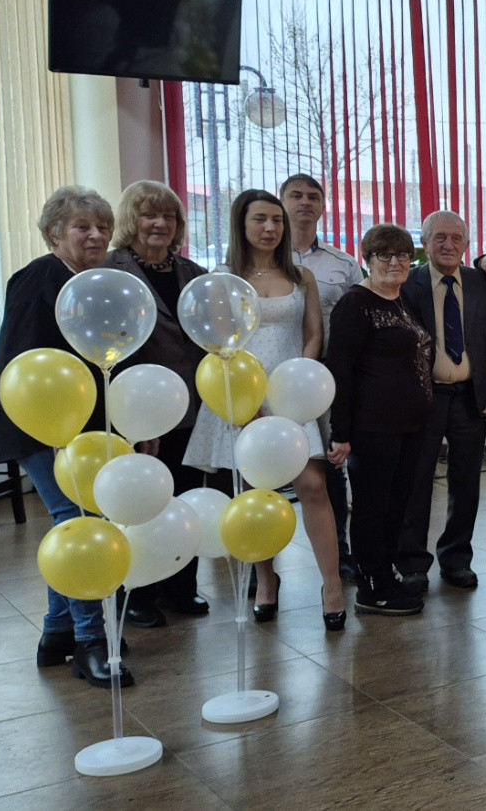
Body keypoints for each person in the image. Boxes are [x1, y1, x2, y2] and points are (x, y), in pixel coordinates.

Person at [0, 186, 130, 687]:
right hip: (42, 427)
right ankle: (91, 642)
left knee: (71, 519)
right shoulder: (38, 278)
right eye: (82, 227)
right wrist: (52, 429)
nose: (96, 235)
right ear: (54, 233)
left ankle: (56, 633)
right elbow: (24, 360)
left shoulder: (91, 281)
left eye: (103, 227)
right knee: (78, 521)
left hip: (79, 427)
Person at [185, 189, 347, 629]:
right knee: (255, 490)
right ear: (242, 224)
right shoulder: (223, 279)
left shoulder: (302, 276)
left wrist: (297, 385)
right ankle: (266, 579)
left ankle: (332, 584)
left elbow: (314, 334)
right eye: (260, 219)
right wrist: (251, 401)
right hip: (242, 395)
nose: (271, 228)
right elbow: (220, 344)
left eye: (277, 220)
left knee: (313, 484)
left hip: (293, 394)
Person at [102, 180, 209, 629]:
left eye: (168, 216)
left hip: (190, 407)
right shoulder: (111, 271)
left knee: (185, 498)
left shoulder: (192, 271)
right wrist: (136, 422)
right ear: (132, 220)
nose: (160, 223)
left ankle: (181, 586)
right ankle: (137, 593)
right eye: (149, 215)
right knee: (141, 501)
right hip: (138, 409)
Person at [326, 225, 434, 619]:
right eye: (384, 255)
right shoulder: (355, 304)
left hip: (410, 426)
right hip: (373, 428)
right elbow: (340, 369)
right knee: (373, 508)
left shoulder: (402, 300)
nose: (395, 262)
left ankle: (386, 576)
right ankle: (371, 588)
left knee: (396, 506)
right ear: (367, 259)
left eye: (403, 254)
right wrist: (341, 433)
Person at [397, 211, 486, 593]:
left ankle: (457, 559)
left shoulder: (480, 283)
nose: (448, 244)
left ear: (467, 245)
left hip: (470, 397)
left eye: (456, 238)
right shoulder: (407, 284)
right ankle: (412, 564)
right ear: (424, 244)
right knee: (416, 482)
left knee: (466, 482)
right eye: (439, 237)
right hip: (424, 399)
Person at [280, 173, 361, 581]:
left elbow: (360, 320)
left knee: (330, 466)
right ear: (282, 203)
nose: (305, 203)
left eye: (313, 196)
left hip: (325, 378)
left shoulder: (343, 264)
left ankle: (340, 553)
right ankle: (262, 563)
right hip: (268, 376)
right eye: (296, 195)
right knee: (267, 465)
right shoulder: (260, 261)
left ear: (324, 206)